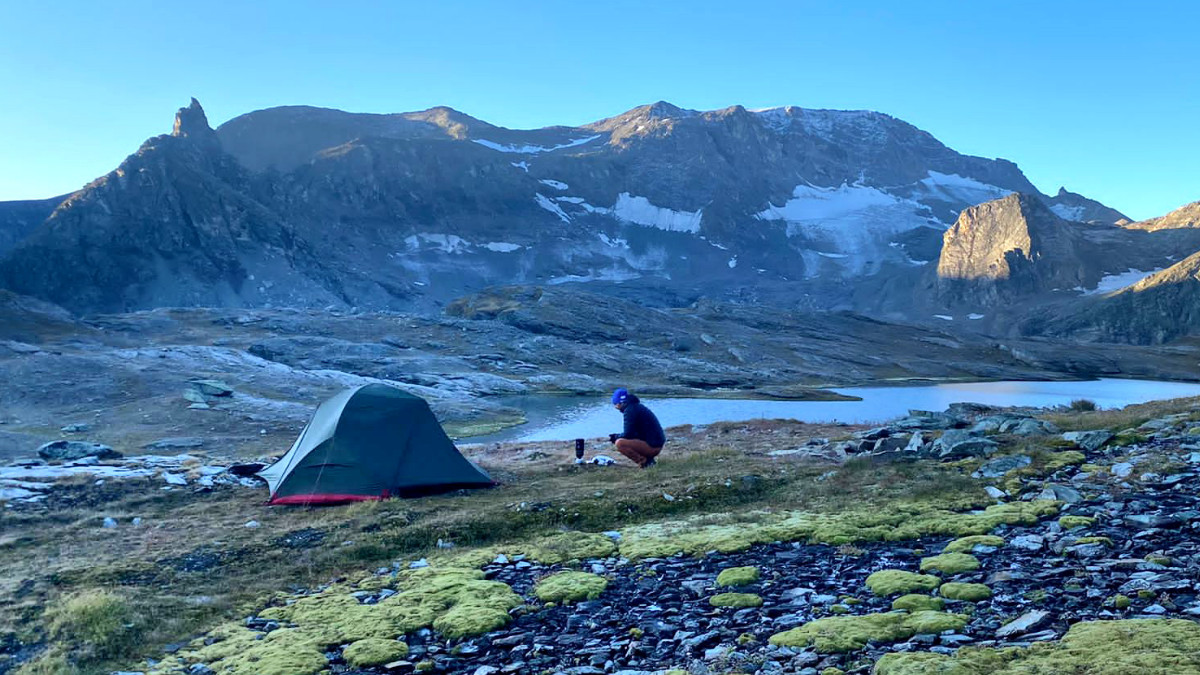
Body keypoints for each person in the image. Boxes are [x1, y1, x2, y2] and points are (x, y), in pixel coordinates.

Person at [607, 388, 665, 468]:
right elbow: (633, 433)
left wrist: (616, 437)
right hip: (656, 443)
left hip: (653, 446)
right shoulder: (635, 407)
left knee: (620, 443)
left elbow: (628, 433)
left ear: (620, 403)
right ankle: (649, 461)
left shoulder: (629, 411)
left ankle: (645, 463)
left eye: (615, 404)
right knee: (623, 440)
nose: (615, 407)